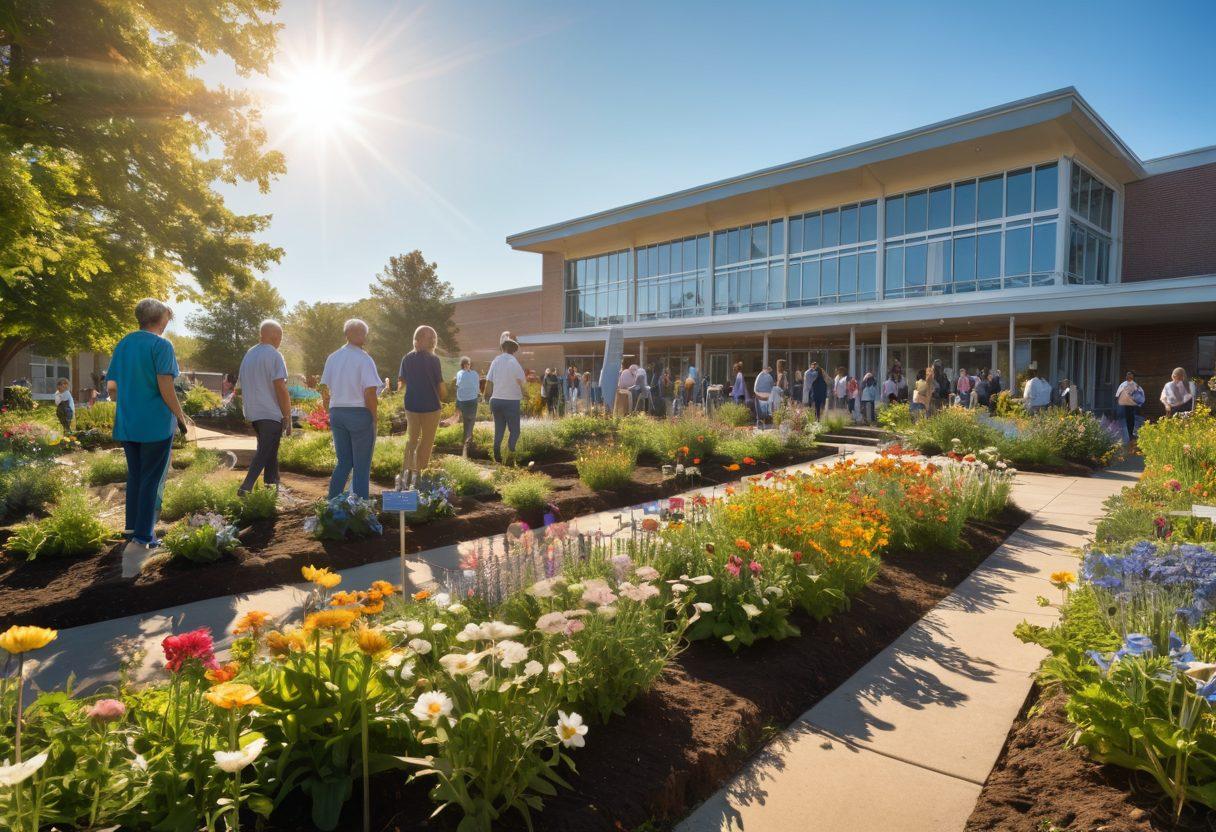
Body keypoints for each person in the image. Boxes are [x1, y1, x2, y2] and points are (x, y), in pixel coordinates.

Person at [107, 298, 188, 577]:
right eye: (167, 317)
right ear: (161, 319)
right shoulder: (161, 346)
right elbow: (166, 387)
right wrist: (180, 416)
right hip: (155, 424)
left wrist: (130, 398)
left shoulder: (124, 343)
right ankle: (144, 537)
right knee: (153, 478)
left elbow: (112, 388)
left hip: (128, 423)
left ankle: (132, 529)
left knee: (137, 476)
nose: (168, 322)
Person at [320, 318, 383, 500]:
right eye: (359, 332)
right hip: (358, 413)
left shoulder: (333, 357)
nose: (362, 336)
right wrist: (374, 418)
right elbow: (370, 392)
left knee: (344, 462)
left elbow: (324, 389)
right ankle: (361, 509)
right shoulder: (364, 359)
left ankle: (331, 504)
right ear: (347, 334)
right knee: (361, 467)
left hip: (337, 412)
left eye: (364, 333)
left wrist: (329, 410)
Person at [236, 319, 292, 495]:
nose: (281, 340)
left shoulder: (249, 354)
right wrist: (288, 416)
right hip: (270, 412)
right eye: (280, 336)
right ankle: (246, 487)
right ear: (275, 336)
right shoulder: (275, 355)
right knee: (264, 451)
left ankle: (271, 486)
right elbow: (281, 388)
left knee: (270, 450)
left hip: (254, 412)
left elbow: (239, 387)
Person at [398, 325, 445, 488]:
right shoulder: (434, 360)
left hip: (411, 405)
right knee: (427, 441)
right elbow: (441, 387)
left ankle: (407, 472)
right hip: (431, 406)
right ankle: (420, 473)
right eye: (430, 337)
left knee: (412, 438)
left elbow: (401, 383)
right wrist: (444, 396)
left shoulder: (407, 358)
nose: (432, 339)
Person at [485, 337, 528, 462]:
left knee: (499, 430)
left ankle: (497, 456)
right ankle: (510, 454)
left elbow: (488, 382)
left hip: (496, 401)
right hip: (511, 401)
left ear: (502, 349)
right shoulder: (514, 362)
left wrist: (486, 398)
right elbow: (522, 382)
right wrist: (526, 394)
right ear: (514, 351)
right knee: (515, 431)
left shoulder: (495, 361)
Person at [454, 357, 480, 456]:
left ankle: (467, 440)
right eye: (465, 364)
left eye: (468, 364)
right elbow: (460, 385)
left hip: (469, 399)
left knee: (469, 420)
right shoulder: (462, 373)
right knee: (469, 420)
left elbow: (459, 386)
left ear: (470, 364)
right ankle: (468, 440)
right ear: (463, 365)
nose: (467, 365)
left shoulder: (469, 373)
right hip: (467, 399)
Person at [1115, 371, 1144, 442]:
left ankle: (1130, 433)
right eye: (1128, 376)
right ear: (1126, 377)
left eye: (1131, 376)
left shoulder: (1135, 385)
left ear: (1133, 377)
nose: (1129, 377)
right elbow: (1117, 395)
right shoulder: (1123, 385)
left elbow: (1140, 394)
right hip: (1124, 404)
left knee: (1132, 419)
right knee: (1126, 419)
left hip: (1132, 404)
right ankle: (1127, 434)